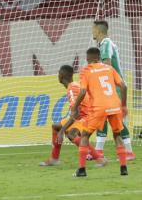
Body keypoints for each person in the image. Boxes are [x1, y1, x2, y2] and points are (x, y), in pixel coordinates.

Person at [72, 47, 128, 177]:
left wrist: (75, 107)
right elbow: (124, 86)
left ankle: (81, 170)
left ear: (88, 59)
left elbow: (82, 91)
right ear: (98, 57)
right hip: (115, 105)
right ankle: (123, 168)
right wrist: (124, 106)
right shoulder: (109, 68)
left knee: (85, 136)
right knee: (117, 135)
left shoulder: (86, 71)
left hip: (98, 107)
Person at [39, 65, 104, 166]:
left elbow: (76, 113)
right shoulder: (74, 85)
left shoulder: (72, 89)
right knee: (56, 127)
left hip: (87, 117)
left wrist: (62, 131)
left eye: (58, 73)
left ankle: (99, 159)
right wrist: (61, 130)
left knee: (71, 134)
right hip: (83, 116)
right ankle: (54, 159)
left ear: (61, 76)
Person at [92, 20, 135, 160]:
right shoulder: (105, 44)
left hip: (113, 87)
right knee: (103, 117)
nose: (92, 32)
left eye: (93, 29)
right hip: (111, 87)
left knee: (116, 120)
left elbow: (107, 64)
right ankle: (99, 152)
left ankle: (128, 152)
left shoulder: (105, 43)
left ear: (98, 31)